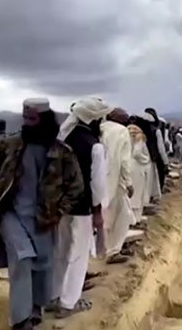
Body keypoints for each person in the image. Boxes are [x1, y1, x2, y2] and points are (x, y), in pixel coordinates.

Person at [0, 98, 83, 330]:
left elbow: (75, 187)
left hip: (44, 217)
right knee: (22, 258)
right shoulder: (10, 144)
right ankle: (20, 319)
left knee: (43, 264)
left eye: (31, 119)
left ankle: (36, 308)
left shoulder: (62, 152)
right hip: (11, 215)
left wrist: (59, 210)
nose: (27, 123)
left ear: (43, 119)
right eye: (25, 118)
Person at [52, 97, 112, 318]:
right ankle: (69, 303)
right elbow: (97, 183)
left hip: (60, 204)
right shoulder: (94, 146)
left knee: (60, 250)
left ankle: (54, 295)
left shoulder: (62, 139)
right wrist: (98, 211)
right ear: (94, 119)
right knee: (78, 254)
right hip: (82, 207)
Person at [100, 108, 135, 265]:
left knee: (106, 216)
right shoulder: (122, 131)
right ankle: (113, 250)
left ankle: (107, 248)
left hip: (99, 180)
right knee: (124, 215)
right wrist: (128, 182)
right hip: (116, 179)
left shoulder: (100, 128)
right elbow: (124, 161)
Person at [127, 124, 151, 220]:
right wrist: (146, 159)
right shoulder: (139, 138)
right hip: (137, 167)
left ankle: (131, 218)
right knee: (137, 194)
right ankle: (136, 219)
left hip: (129, 165)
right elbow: (137, 153)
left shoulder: (125, 137)